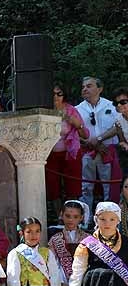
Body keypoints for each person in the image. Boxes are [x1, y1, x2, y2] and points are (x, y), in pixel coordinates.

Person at [70, 202, 128, 286]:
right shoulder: (86, 245)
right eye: (102, 219)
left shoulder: (126, 242)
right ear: (96, 219)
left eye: (112, 219)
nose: (107, 223)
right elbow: (77, 273)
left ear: (118, 220)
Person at [46, 84, 88, 215]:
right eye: (53, 93)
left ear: (64, 95)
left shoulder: (71, 110)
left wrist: (77, 124)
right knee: (52, 186)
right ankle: (59, 216)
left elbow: (85, 135)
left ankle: (73, 215)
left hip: (70, 153)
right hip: (50, 154)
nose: (56, 97)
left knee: (73, 185)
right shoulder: (43, 110)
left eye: (59, 94)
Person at [78, 76, 117, 210]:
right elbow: (73, 132)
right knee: (86, 186)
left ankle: (109, 215)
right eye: (83, 87)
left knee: (109, 186)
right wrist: (91, 143)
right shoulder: (77, 109)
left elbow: (118, 126)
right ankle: (85, 219)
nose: (85, 89)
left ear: (99, 89)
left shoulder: (111, 106)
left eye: (89, 86)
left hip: (107, 151)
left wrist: (99, 139)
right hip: (86, 151)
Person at [6, 218, 63, 286]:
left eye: (37, 231)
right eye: (29, 232)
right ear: (21, 233)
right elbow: (13, 279)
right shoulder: (15, 253)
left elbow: (55, 275)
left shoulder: (47, 253)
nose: (34, 235)